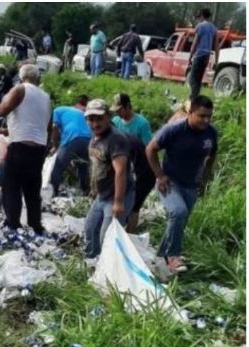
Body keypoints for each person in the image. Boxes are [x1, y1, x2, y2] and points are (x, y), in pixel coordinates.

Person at [0, 64, 51, 234]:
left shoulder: (20, 89)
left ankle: (13, 224)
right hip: (38, 149)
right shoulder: (46, 97)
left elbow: (1, 110)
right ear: (39, 79)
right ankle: (35, 226)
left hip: (20, 147)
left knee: (11, 186)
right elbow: (47, 126)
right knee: (32, 190)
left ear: (21, 78)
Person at [145, 95, 217, 273]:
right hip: (170, 182)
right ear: (190, 112)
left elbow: (211, 157)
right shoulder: (174, 129)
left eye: (209, 116)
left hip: (191, 184)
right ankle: (173, 256)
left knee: (179, 221)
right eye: (201, 116)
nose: (206, 120)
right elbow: (150, 149)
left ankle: (162, 258)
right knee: (178, 212)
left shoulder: (211, 132)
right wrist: (160, 175)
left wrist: (205, 180)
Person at [82, 98, 135, 258]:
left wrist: (119, 203)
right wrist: (93, 187)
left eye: (99, 118)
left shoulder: (116, 139)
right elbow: (97, 164)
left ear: (108, 117)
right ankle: (93, 262)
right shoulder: (95, 137)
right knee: (90, 229)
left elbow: (120, 171)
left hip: (118, 196)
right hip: (102, 195)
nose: (95, 123)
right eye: (91, 119)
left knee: (107, 236)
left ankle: (107, 271)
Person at [110, 93, 154, 232]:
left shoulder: (142, 124)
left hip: (141, 169)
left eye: (120, 109)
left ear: (128, 107)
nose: (117, 113)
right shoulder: (116, 121)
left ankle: (129, 235)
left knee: (134, 206)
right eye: (115, 111)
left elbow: (149, 149)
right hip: (125, 168)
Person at [49, 95, 91, 196]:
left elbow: (54, 127)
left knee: (58, 166)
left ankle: (54, 192)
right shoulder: (82, 113)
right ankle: (84, 192)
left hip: (72, 135)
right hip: (89, 138)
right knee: (83, 166)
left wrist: (55, 146)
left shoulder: (57, 110)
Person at [189, 8, 219, 100]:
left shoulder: (200, 26)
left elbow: (195, 42)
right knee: (198, 79)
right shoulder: (214, 29)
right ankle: (195, 99)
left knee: (192, 79)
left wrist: (190, 56)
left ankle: (193, 99)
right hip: (207, 57)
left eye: (200, 16)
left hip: (199, 55)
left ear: (202, 15)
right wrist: (216, 61)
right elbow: (217, 46)